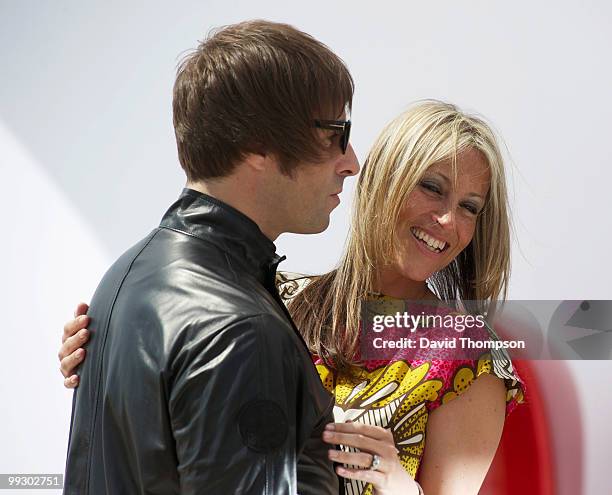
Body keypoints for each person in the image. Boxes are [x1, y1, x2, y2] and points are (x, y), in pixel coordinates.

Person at [59, 102, 523, 492]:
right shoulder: (275, 295)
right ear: (385, 180)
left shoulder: (469, 356)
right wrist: (112, 351)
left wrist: (402, 488)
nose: (446, 220)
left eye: (469, 207)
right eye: (432, 187)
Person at [60, 19, 365, 495]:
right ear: (256, 145)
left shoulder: (123, 277)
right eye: (334, 134)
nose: (351, 162)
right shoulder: (241, 327)